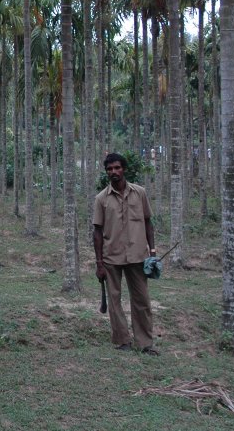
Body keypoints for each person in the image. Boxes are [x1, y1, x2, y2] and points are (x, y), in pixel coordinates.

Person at [93, 152, 159, 355]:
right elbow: (97, 231)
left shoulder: (140, 193)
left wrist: (153, 251)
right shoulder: (101, 199)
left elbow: (148, 222)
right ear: (107, 172)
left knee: (142, 301)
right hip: (111, 257)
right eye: (110, 169)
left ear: (124, 169)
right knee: (114, 301)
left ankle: (145, 344)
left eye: (117, 168)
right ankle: (123, 341)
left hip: (138, 256)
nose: (114, 172)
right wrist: (99, 263)